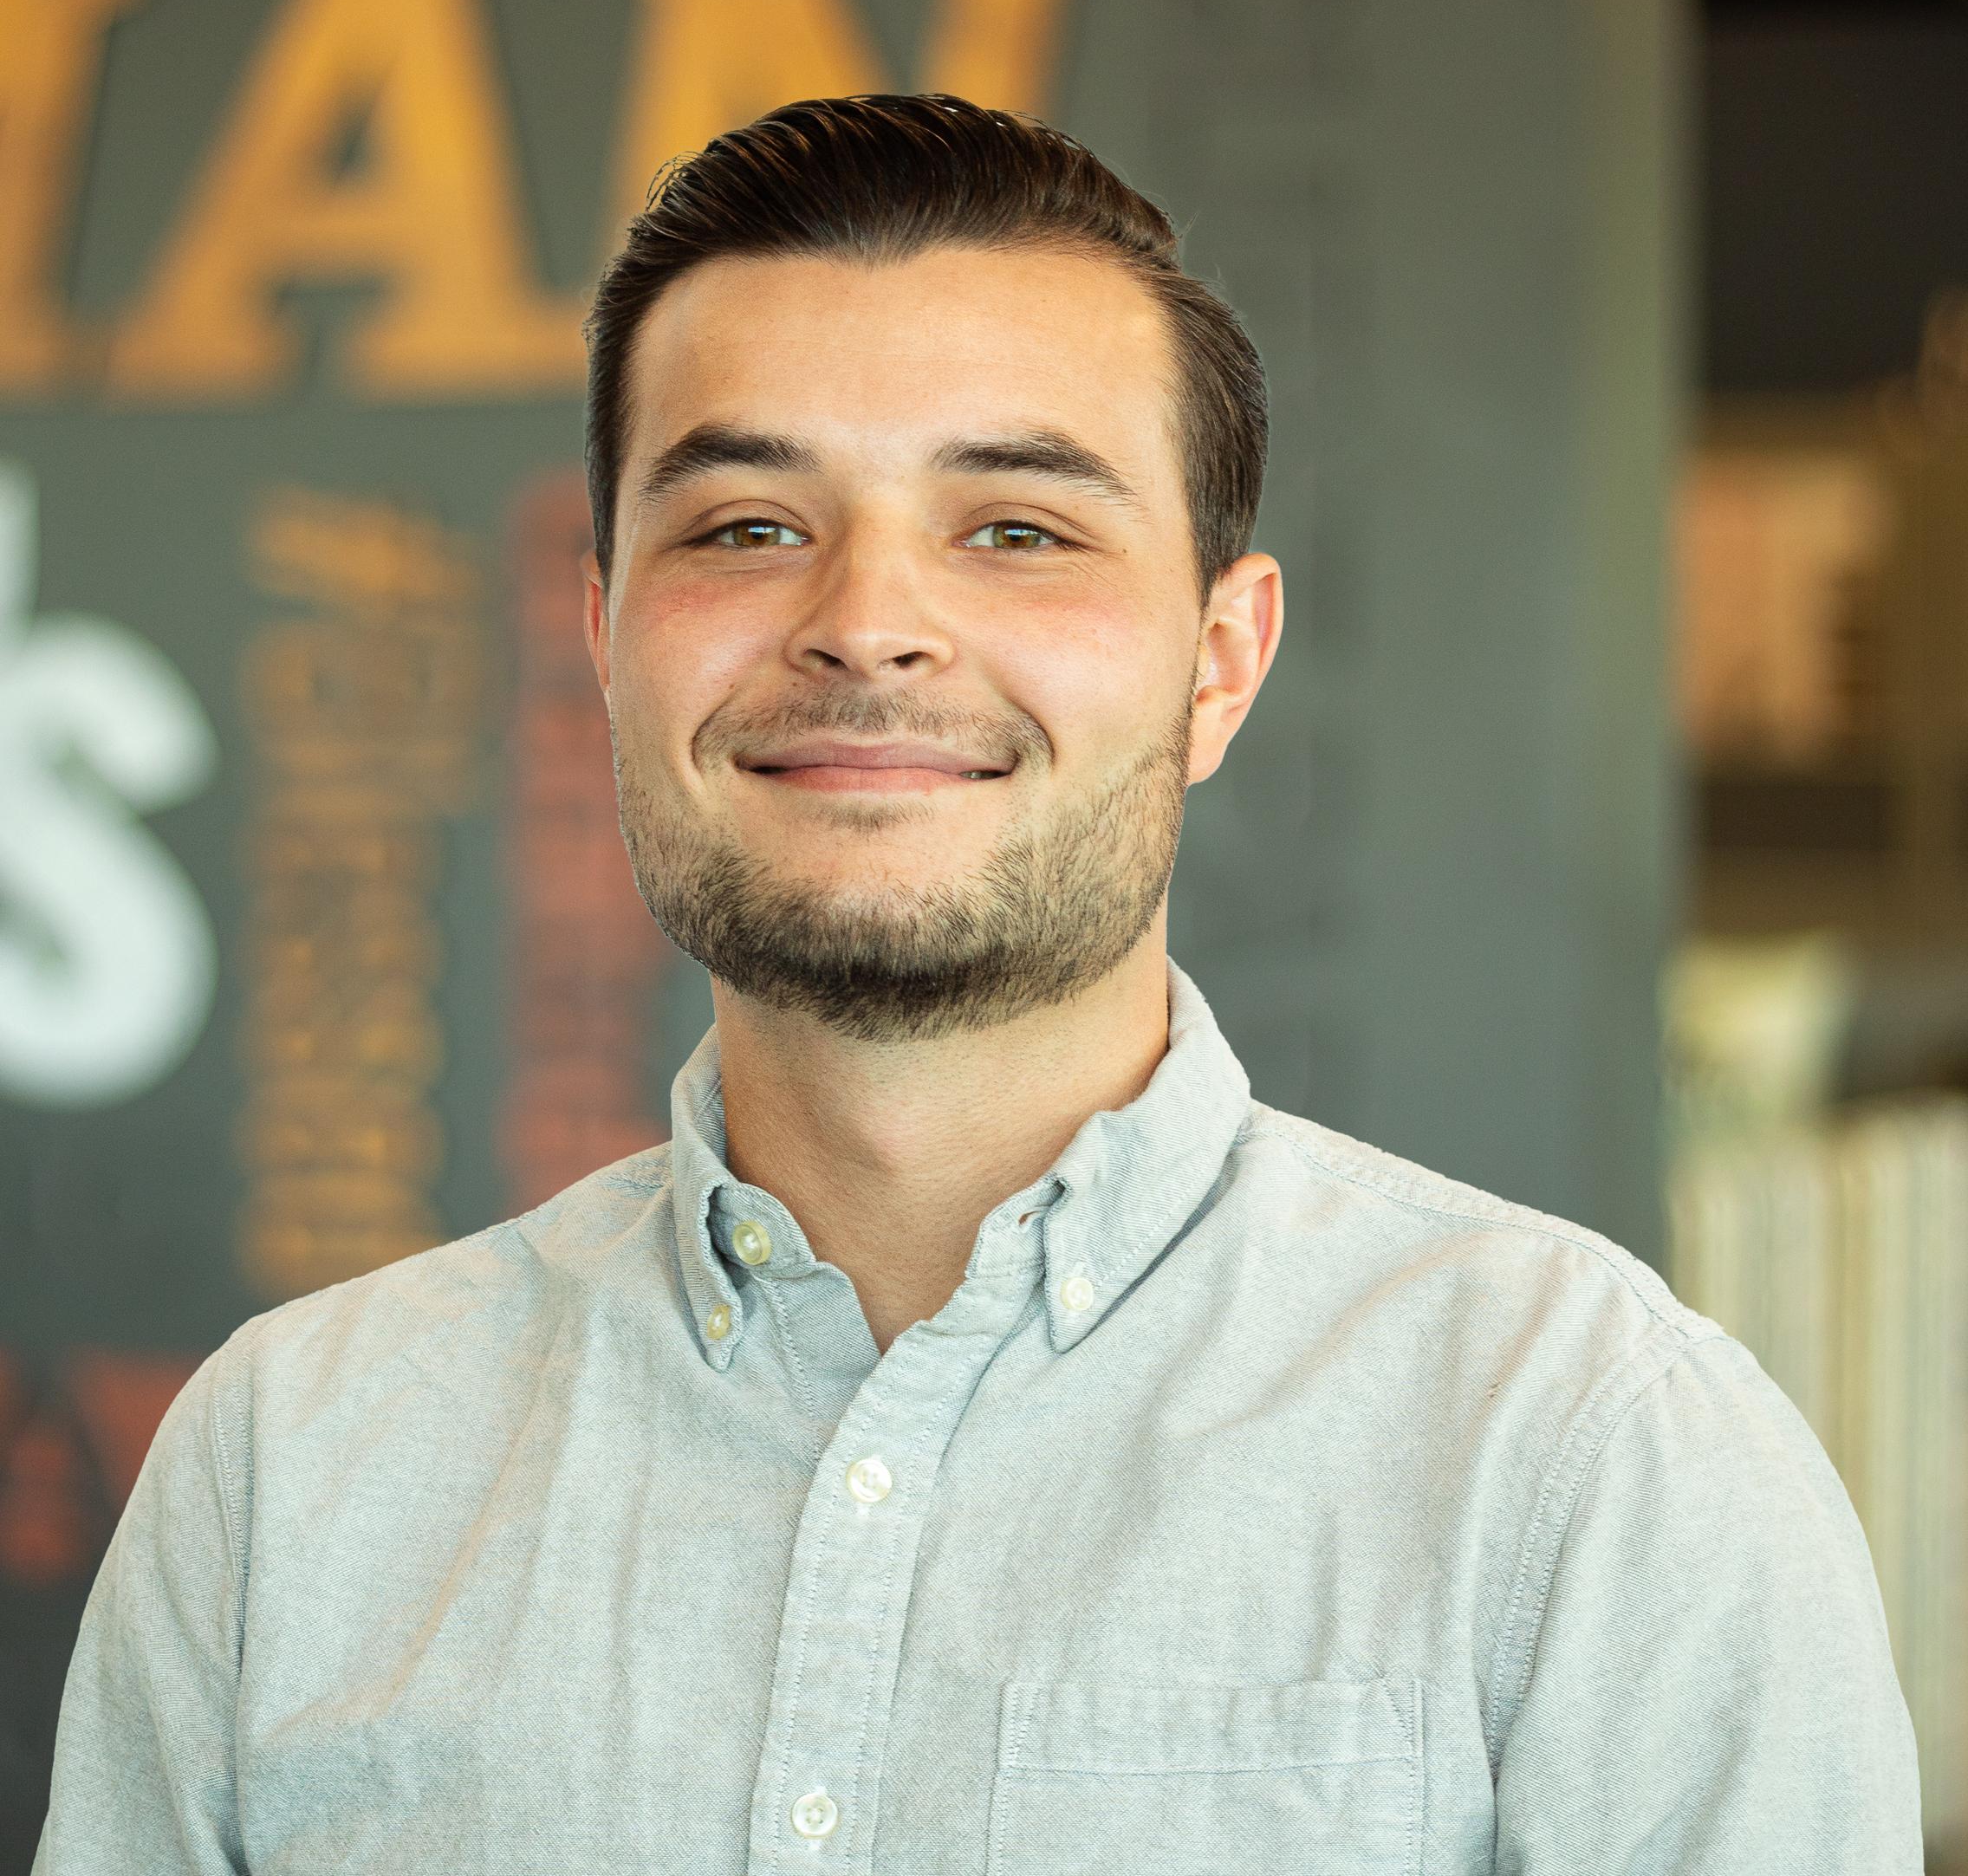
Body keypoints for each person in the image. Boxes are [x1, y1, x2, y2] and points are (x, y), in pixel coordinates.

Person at [36, 94, 1920, 1875]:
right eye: (746, 525)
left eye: (1014, 526)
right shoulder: (290, 1472)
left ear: (1219, 657)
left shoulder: (1587, 1457)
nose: (864, 619)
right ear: (606, 638)